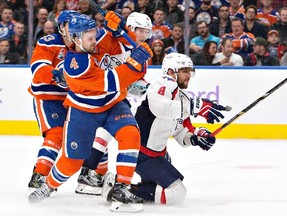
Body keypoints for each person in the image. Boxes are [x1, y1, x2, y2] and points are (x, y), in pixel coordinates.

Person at [28, 12, 153, 212]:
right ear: (76, 39)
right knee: (72, 163)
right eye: (90, 38)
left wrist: (120, 29)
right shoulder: (75, 65)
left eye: (95, 35)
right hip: (84, 111)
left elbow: (122, 46)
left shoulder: (96, 39)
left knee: (130, 133)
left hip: (113, 103)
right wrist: (137, 63)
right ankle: (48, 185)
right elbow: (115, 80)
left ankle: (122, 187)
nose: (96, 40)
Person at [103, 53, 227, 205]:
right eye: (185, 71)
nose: (189, 75)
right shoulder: (160, 85)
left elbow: (181, 132)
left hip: (157, 155)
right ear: (170, 72)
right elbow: (160, 108)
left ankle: (122, 186)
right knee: (177, 193)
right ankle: (119, 191)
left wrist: (197, 136)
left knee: (170, 187)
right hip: (142, 155)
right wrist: (195, 106)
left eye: (190, 71)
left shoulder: (183, 97)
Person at [75, 11, 153, 196]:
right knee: (104, 133)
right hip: (92, 93)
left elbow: (133, 83)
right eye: (141, 31)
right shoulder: (106, 39)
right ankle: (88, 172)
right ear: (131, 28)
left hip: (115, 97)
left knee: (110, 133)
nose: (144, 37)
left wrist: (145, 87)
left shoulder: (140, 53)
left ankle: (89, 173)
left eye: (147, 33)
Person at [27, 10, 80, 191]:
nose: (75, 29)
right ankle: (39, 175)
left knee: (90, 134)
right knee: (56, 134)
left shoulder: (85, 45)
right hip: (47, 96)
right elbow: (38, 69)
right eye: (71, 25)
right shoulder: (48, 43)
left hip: (74, 100)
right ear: (62, 28)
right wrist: (57, 75)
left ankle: (92, 175)